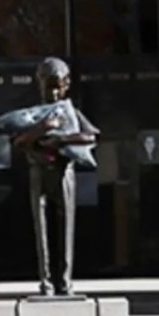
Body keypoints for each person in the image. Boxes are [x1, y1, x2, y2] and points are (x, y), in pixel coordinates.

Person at [10, 57, 99, 297]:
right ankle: (46, 281)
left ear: (67, 84)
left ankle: (65, 281)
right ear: (38, 83)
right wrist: (43, 128)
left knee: (65, 227)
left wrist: (61, 140)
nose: (54, 92)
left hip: (64, 173)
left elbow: (91, 136)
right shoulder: (32, 115)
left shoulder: (71, 112)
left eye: (59, 85)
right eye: (49, 85)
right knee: (41, 228)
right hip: (38, 173)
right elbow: (18, 141)